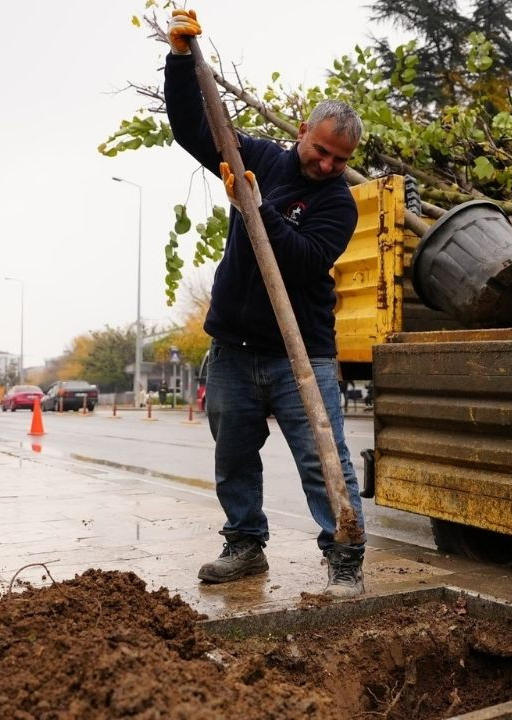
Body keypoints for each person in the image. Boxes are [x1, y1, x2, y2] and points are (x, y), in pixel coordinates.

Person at [165, 9, 367, 598]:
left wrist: (258, 208)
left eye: (339, 160)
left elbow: (302, 259)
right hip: (232, 345)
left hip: (299, 352)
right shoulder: (260, 158)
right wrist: (180, 62)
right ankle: (245, 544)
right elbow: (191, 128)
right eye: (322, 150)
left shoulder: (339, 203)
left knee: (322, 458)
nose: (327, 165)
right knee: (233, 455)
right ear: (304, 131)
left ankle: (345, 554)